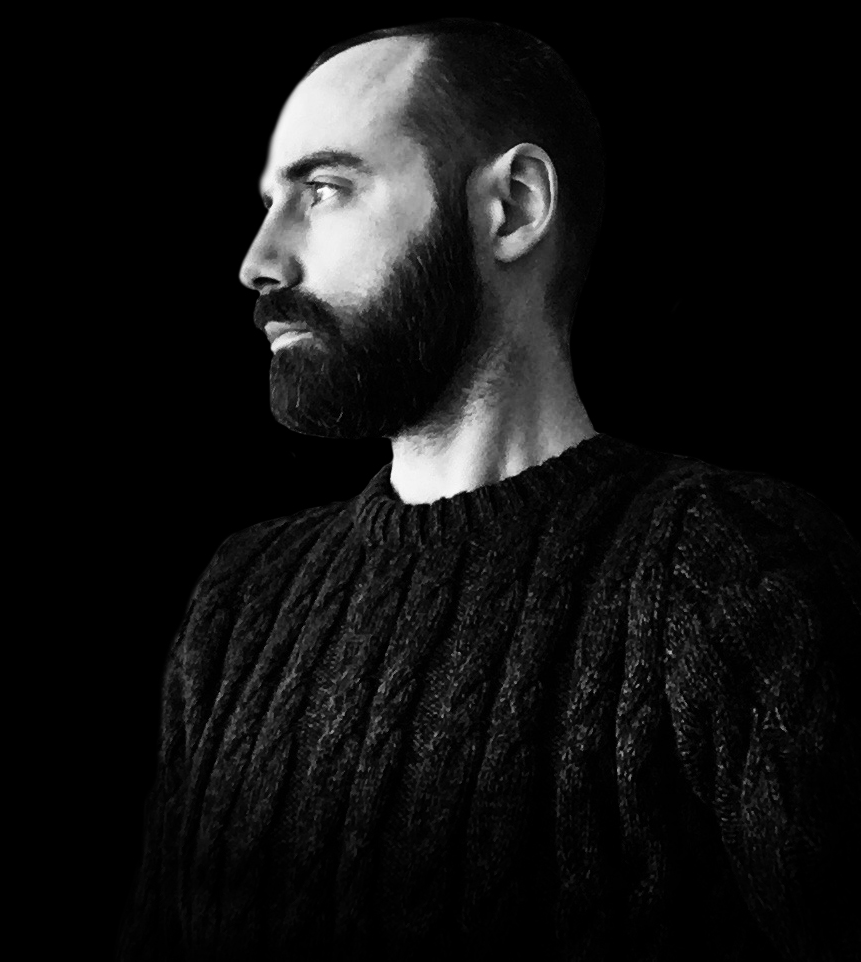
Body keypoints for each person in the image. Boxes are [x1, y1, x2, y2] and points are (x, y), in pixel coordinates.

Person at [118, 18, 860, 961]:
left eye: (324, 190)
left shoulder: (724, 573)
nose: (259, 262)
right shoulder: (241, 601)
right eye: (270, 202)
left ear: (511, 208)